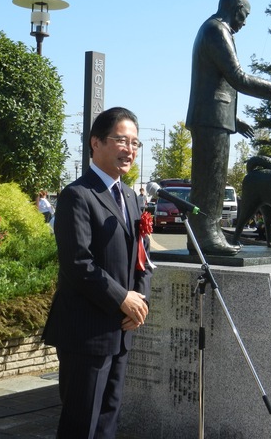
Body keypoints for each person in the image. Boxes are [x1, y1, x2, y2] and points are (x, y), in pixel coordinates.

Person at [42, 107, 154, 438]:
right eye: (121, 140)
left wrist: (140, 302)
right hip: (86, 333)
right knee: (82, 423)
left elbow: (141, 258)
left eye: (135, 143)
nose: (130, 149)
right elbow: (78, 263)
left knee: (108, 419)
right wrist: (123, 299)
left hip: (122, 328)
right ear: (96, 142)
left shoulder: (131, 197)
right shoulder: (77, 196)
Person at [186, 0, 271, 255]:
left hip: (215, 117)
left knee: (211, 179)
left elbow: (213, 84)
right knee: (210, 182)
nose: (244, 22)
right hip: (210, 119)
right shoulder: (216, 30)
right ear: (234, 8)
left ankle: (203, 234)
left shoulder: (214, 30)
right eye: (244, 15)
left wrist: (234, 119)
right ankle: (206, 234)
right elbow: (236, 75)